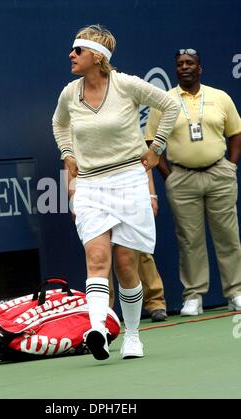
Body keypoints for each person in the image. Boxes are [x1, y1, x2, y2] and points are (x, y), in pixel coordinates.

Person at [52, 24, 179, 361]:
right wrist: (67, 154)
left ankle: (134, 336)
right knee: (96, 260)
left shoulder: (126, 85)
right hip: (91, 185)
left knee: (125, 265)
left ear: (97, 56)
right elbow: (59, 123)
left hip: (129, 180)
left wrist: (156, 148)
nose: (71, 55)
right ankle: (97, 330)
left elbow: (170, 106)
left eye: (77, 51)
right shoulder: (69, 93)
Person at [145, 48, 241, 316]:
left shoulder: (219, 97)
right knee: (190, 239)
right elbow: (152, 142)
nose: (184, 67)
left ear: (200, 68)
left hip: (218, 173)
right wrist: (168, 174)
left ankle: (236, 292)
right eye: (179, 64)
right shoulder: (164, 101)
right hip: (182, 177)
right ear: (175, 70)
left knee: (228, 236)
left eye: (190, 63)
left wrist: (230, 166)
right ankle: (194, 296)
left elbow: (236, 132)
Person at [108, 170, 168, 322]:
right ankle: (105, 312)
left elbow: (145, 160)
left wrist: (151, 194)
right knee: (101, 254)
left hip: (129, 187)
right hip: (95, 191)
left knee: (138, 248)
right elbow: (69, 163)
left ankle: (156, 302)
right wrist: (72, 198)